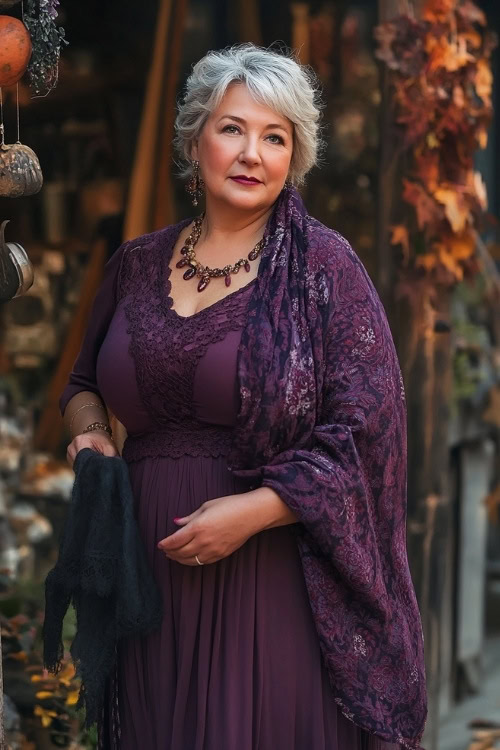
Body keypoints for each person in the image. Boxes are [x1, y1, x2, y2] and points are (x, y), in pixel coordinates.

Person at [59, 43, 427, 750]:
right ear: (195, 139)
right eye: (233, 128)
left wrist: (256, 512)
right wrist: (91, 435)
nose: (252, 152)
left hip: (270, 585)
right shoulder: (136, 264)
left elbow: (367, 428)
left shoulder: (325, 269)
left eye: (275, 136)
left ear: (296, 156)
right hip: (149, 588)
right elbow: (82, 385)